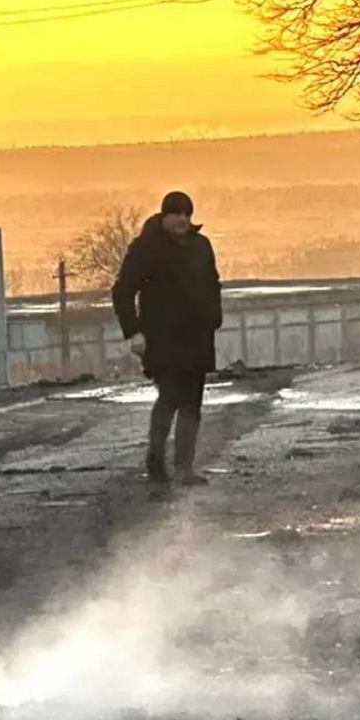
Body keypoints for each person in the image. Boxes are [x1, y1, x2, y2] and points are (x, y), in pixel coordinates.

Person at [112, 191, 222, 498]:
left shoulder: (201, 246)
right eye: (176, 214)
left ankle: (185, 468)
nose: (183, 220)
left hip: (198, 337)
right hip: (161, 338)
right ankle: (157, 464)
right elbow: (122, 291)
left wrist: (215, 317)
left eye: (187, 214)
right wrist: (133, 332)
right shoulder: (147, 247)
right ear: (164, 216)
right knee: (171, 396)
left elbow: (213, 283)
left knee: (193, 401)